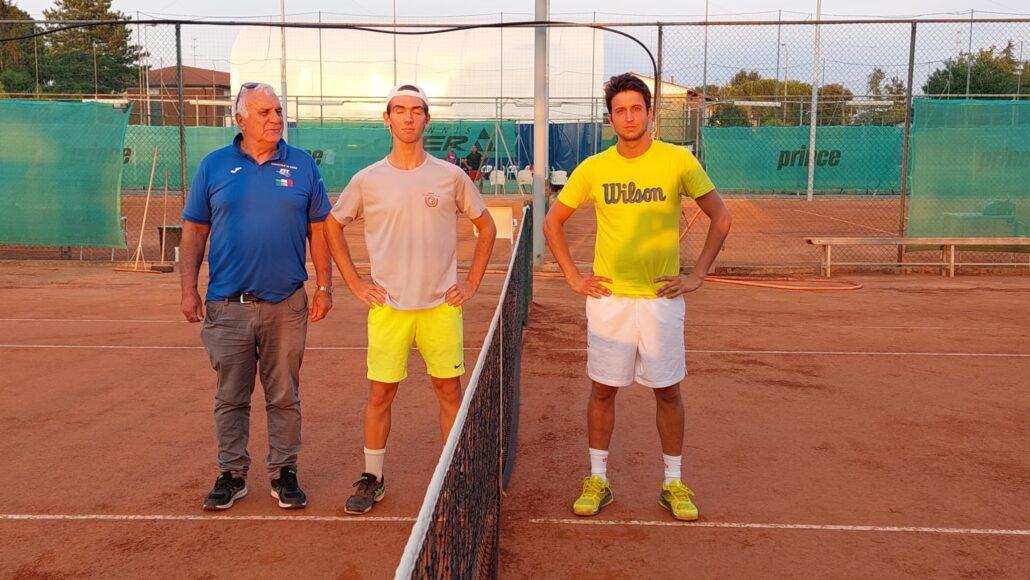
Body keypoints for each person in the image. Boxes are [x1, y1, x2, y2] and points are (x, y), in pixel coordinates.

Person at [543, 73, 732, 522]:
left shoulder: (677, 162)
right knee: (603, 390)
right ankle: (598, 479)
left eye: (636, 108)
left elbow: (721, 218)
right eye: (620, 110)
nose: (628, 116)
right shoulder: (594, 168)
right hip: (609, 301)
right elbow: (553, 223)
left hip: (661, 300)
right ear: (610, 118)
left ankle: (673, 482)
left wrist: (697, 275)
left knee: (667, 391)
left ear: (649, 112)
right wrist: (573, 276)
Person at [324, 84, 496, 515]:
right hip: (388, 309)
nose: (407, 117)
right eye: (399, 110)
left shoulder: (450, 176)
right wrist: (355, 282)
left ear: (426, 120)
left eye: (416, 111)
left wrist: (471, 284)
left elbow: (487, 227)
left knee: (448, 390)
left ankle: (457, 474)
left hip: (441, 307)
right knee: (380, 394)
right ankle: (373, 477)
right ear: (387, 119)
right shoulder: (367, 179)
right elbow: (331, 226)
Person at [181, 82, 334, 511]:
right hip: (227, 306)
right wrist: (188, 289)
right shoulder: (214, 166)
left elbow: (319, 228)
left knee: (284, 394)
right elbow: (195, 229)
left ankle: (284, 472)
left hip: (287, 303)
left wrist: (324, 286)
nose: (275, 119)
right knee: (231, 396)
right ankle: (231, 474)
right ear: (240, 119)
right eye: (264, 112)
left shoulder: (302, 164)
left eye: (278, 111)